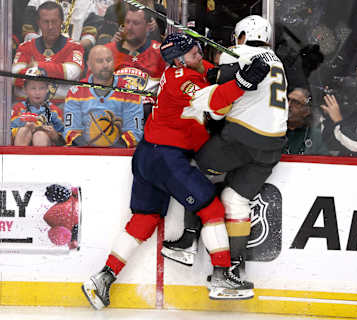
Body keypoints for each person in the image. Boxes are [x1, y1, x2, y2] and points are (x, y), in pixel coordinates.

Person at [81, 32, 270, 309]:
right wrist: (243, 82)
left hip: (148, 155)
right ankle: (220, 275)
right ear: (179, 60)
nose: (199, 53)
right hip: (167, 158)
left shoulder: (185, 70)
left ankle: (103, 277)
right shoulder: (183, 80)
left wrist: (237, 69)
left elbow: (214, 73)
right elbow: (216, 102)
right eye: (193, 52)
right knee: (213, 209)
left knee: (144, 220)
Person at [161, 16, 288, 280]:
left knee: (195, 170)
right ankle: (235, 267)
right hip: (274, 145)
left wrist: (212, 80)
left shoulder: (237, 53)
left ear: (241, 36)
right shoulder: (276, 60)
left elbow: (220, 106)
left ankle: (189, 240)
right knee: (236, 200)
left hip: (243, 137)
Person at [64, 45, 143, 147]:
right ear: (89, 65)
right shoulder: (76, 92)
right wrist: (90, 151)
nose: (105, 65)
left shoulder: (130, 91)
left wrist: (111, 151)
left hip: (120, 156)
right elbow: (71, 131)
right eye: (100, 61)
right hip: (84, 155)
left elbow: (135, 132)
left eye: (108, 60)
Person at [12, 1, 85, 106]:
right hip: (25, 107)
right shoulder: (25, 47)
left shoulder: (74, 47)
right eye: (46, 22)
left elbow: (71, 73)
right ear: (38, 23)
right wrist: (57, 72)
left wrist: (36, 66)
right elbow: (14, 77)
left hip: (61, 106)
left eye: (54, 21)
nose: (50, 26)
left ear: (61, 22)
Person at [104, 5, 166, 118]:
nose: (129, 27)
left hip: (145, 116)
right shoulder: (107, 51)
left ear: (148, 26)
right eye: (127, 22)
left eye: (136, 23)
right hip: (110, 115)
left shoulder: (161, 53)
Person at [10, 67, 65, 146]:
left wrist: (55, 135)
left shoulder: (54, 110)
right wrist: (26, 127)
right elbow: (9, 133)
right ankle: (20, 157)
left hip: (46, 147)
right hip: (22, 142)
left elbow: (63, 139)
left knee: (40, 135)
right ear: (25, 89)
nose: (37, 92)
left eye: (41, 88)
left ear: (47, 89)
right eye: (33, 88)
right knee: (23, 131)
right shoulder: (17, 108)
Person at [22, 0, 100, 50]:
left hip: (72, 53)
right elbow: (28, 31)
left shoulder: (88, 3)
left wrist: (73, 47)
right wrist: (43, 46)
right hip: (39, 52)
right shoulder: (37, 1)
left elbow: (90, 37)